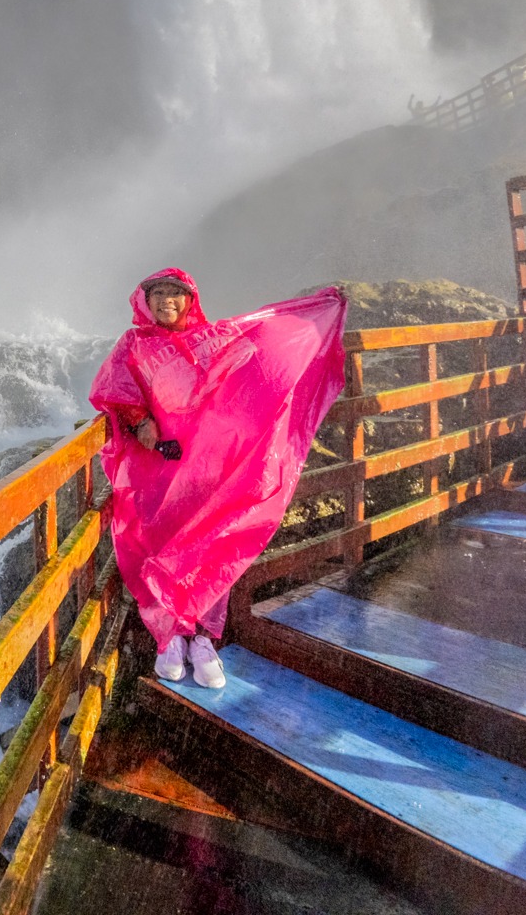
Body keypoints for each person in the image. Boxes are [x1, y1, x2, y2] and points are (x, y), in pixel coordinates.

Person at [88, 269, 348, 689]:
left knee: (210, 546)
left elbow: (253, 366)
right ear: (144, 300)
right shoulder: (133, 344)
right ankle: (169, 636)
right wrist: (140, 422)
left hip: (207, 466)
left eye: (176, 294)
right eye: (158, 294)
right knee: (159, 542)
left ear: (190, 300)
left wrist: (322, 307)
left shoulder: (212, 339)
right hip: (158, 467)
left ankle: (204, 638)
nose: (166, 301)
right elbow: (115, 390)